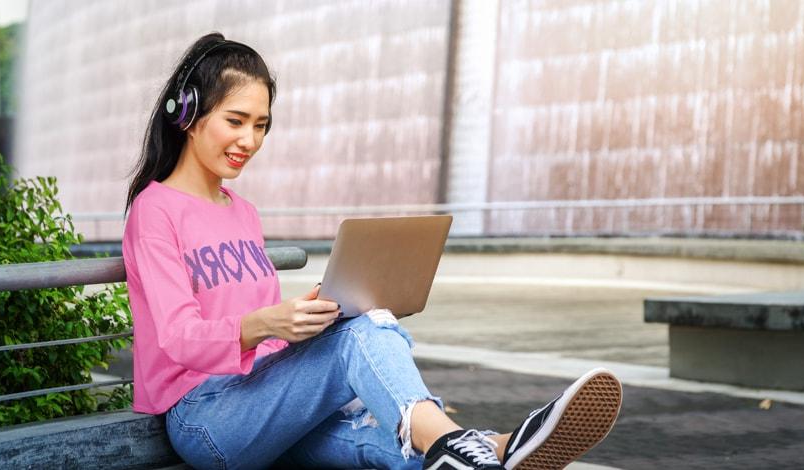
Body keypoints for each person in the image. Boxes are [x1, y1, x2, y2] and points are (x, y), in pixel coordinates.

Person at [122, 32, 623, 470]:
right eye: (236, 121)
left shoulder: (241, 211)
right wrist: (271, 323)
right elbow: (178, 337)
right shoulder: (155, 210)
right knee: (365, 334)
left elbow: (260, 331)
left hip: (265, 401)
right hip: (207, 418)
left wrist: (314, 312)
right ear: (187, 114)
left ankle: (493, 451)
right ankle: (456, 443)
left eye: (261, 125)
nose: (249, 140)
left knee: (382, 438)